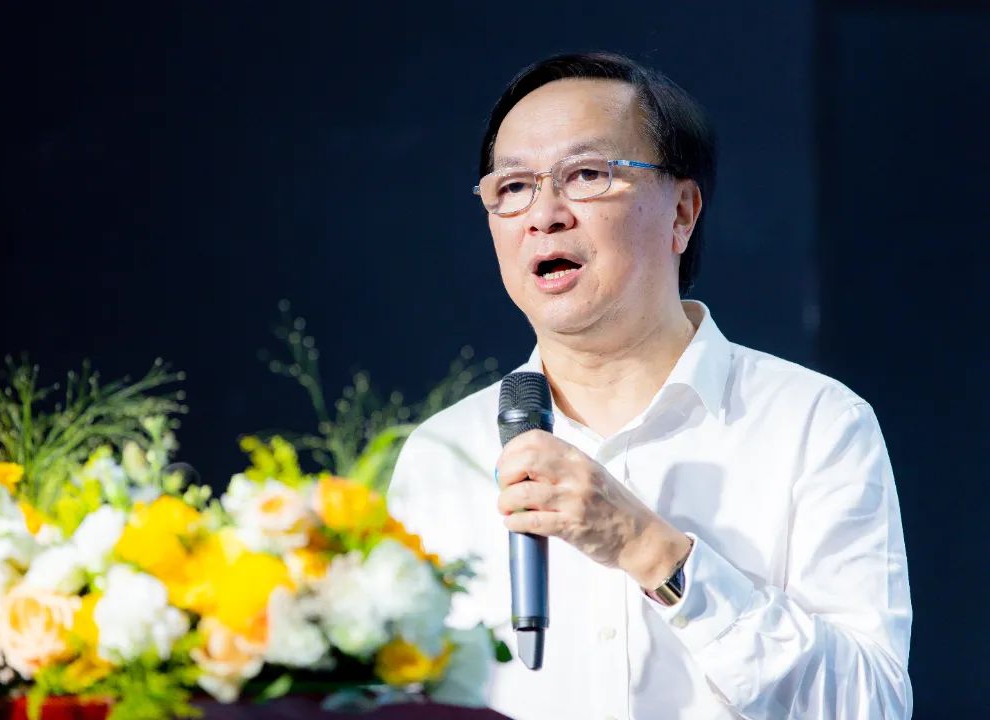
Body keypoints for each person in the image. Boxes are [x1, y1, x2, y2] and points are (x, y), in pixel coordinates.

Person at [388, 52, 912, 720]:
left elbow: (871, 705)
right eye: (513, 187)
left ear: (682, 213)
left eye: (586, 175)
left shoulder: (814, 422)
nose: (543, 215)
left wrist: (652, 551)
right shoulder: (442, 454)